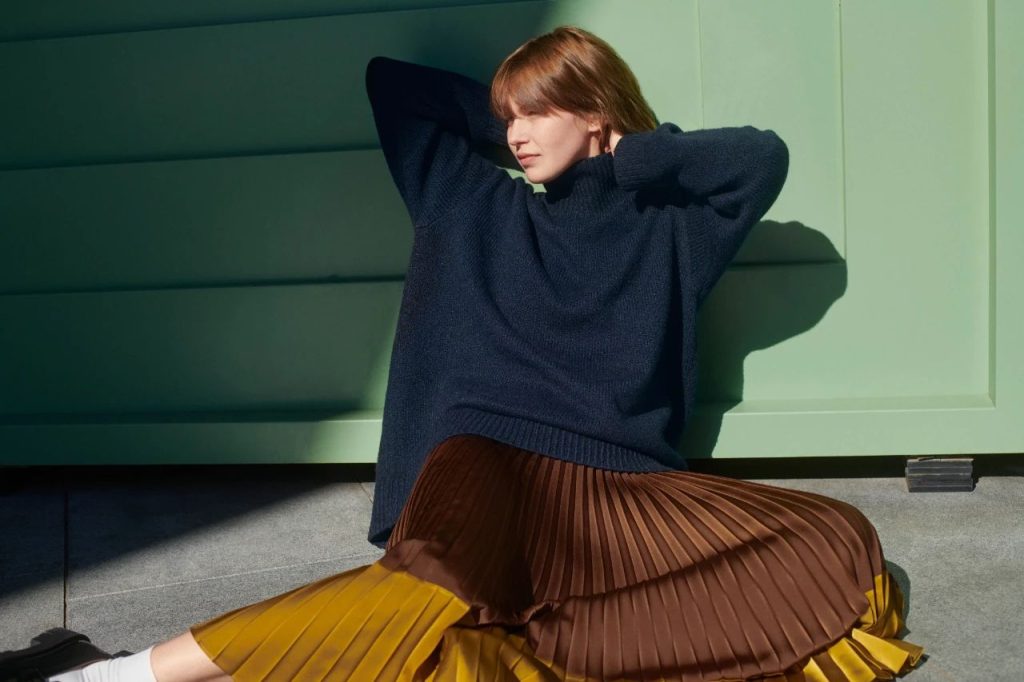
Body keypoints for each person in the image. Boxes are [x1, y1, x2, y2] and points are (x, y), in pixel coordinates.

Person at [0, 25, 924, 682]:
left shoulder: (673, 230)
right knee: (435, 588)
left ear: (595, 111)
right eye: (507, 115)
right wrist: (516, 122)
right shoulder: (472, 204)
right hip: (483, 459)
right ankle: (111, 676)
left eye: (538, 111)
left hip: (618, 484)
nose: (517, 131)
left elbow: (759, 157)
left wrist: (621, 152)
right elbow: (393, 86)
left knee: (836, 543)